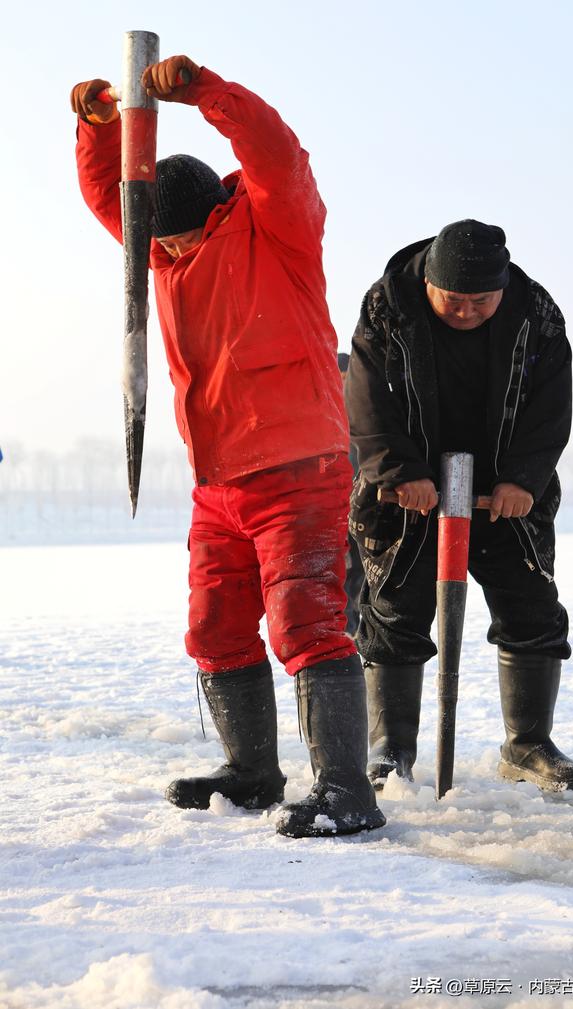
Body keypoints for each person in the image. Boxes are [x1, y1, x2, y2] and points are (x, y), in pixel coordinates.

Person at [70, 55, 384, 838]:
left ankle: (347, 790)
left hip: (301, 464)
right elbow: (110, 197)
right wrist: (99, 126)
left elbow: (277, 151)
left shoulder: (278, 224)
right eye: (159, 245)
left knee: (306, 621)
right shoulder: (158, 251)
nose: (164, 257)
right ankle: (251, 771)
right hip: (218, 479)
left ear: (212, 214)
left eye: (175, 242)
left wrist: (206, 92)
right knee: (214, 626)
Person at [345, 219, 573, 793]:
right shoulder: (387, 307)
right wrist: (401, 472)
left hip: (505, 495)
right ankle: (392, 748)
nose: (465, 311)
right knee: (393, 611)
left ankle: (528, 744)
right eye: (453, 300)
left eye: (480, 302)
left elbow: (551, 407)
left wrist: (522, 480)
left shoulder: (539, 316)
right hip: (405, 494)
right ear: (430, 282)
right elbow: (365, 395)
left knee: (531, 607)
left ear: (502, 289)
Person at [337, 352, 365, 637]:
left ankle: (355, 628)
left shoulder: (361, 414)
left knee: (359, 570)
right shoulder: (327, 417)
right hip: (338, 507)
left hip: (362, 504)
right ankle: (347, 628)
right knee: (345, 571)